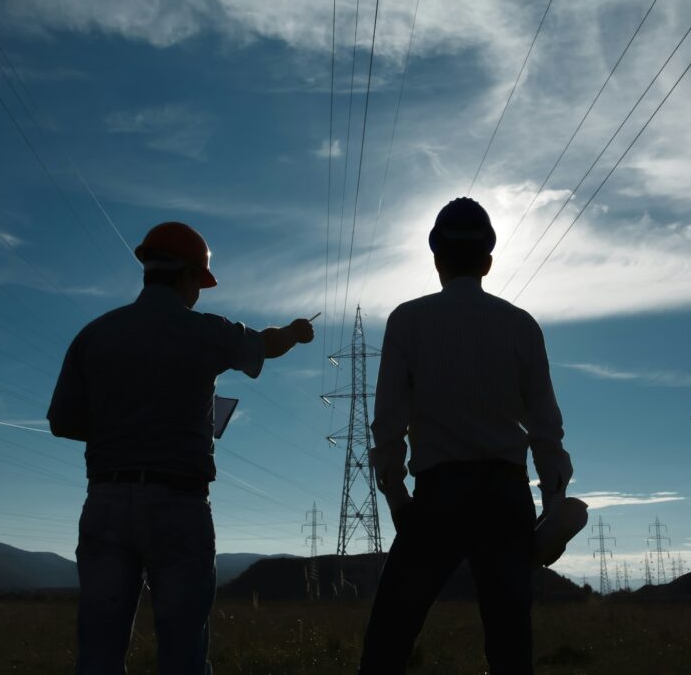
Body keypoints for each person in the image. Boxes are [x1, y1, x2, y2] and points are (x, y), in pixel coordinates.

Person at [47, 221, 315, 674]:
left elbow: (62, 422)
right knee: (183, 655)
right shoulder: (205, 332)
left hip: (106, 502)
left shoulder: (93, 335)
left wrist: (122, 430)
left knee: (98, 654)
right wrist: (294, 331)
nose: (200, 293)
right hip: (179, 505)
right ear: (189, 276)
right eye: (201, 283)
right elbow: (265, 345)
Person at [358, 198, 573, 674]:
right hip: (505, 498)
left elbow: (387, 427)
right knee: (510, 645)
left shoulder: (407, 321)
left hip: (438, 498)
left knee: (388, 639)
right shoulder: (522, 326)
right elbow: (546, 430)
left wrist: (398, 501)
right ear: (489, 262)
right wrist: (553, 508)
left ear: (436, 258)